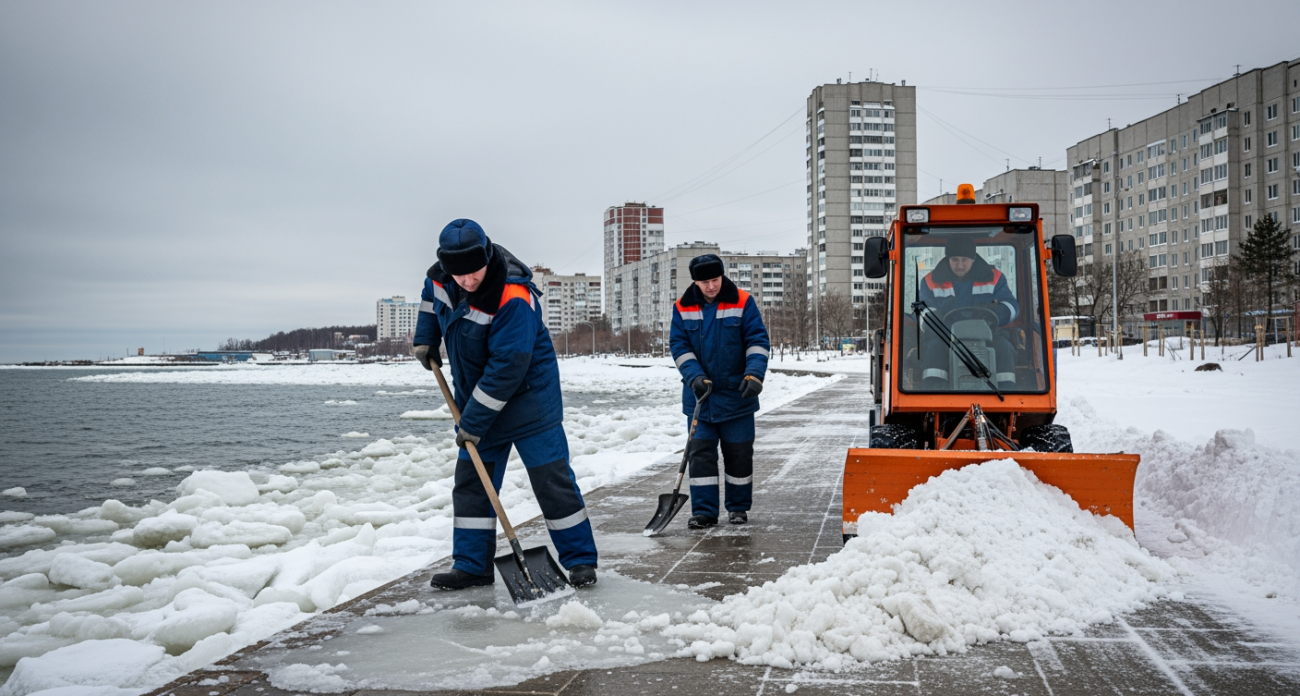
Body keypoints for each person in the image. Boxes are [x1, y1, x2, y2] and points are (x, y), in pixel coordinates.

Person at [412, 219, 597, 590]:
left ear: (487, 257)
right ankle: (471, 565)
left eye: (473, 272)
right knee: (472, 485)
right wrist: (425, 339)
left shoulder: (514, 296)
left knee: (552, 482)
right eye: (458, 275)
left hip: (530, 402)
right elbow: (431, 302)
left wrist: (473, 422)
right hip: (478, 400)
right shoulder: (441, 278)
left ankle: (580, 561)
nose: (467, 281)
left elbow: (508, 368)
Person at [669, 253, 770, 529]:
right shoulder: (682, 307)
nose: (711, 286)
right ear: (695, 282)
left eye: (715, 280)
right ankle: (704, 512)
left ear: (722, 276)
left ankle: (738, 508)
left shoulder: (743, 301)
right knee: (700, 456)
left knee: (739, 454)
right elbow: (679, 347)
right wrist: (695, 377)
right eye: (705, 282)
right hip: (699, 398)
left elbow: (757, 341)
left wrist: (755, 374)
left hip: (737, 395)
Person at [915, 235, 1020, 391]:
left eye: (964, 259)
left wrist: (997, 312)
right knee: (934, 350)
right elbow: (921, 311)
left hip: (988, 335)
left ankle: (1007, 397)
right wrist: (937, 317)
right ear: (948, 258)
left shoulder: (994, 278)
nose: (960, 265)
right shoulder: (931, 280)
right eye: (955, 259)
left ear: (973, 259)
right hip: (946, 337)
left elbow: (1012, 306)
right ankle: (934, 397)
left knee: (1004, 348)